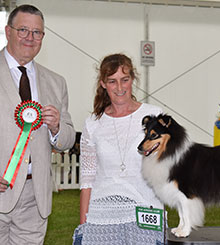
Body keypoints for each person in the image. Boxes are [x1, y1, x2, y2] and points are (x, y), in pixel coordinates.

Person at [0, 4, 75, 244]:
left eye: (37, 32)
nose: (30, 38)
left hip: (36, 197)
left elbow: (68, 139)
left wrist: (56, 129)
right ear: (7, 31)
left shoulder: (56, 82)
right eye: (23, 30)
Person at [73, 54, 165, 244]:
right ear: (103, 84)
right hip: (101, 219)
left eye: (125, 80)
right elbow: (87, 181)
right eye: (112, 81)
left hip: (145, 213)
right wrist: (84, 227)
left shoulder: (154, 115)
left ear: (133, 79)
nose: (120, 87)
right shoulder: (92, 124)